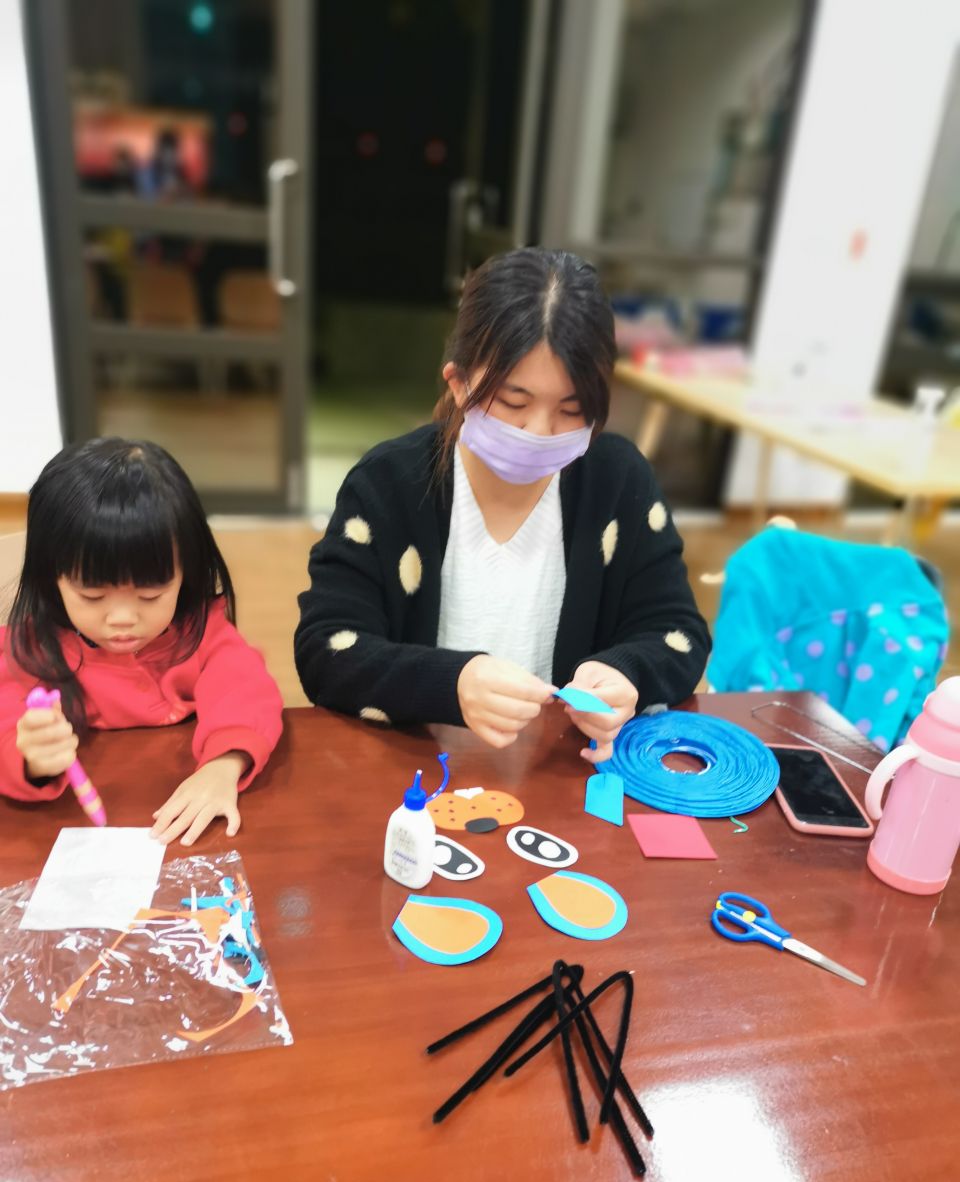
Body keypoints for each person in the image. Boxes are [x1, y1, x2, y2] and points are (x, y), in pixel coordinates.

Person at [295, 247, 710, 761]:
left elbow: (678, 635)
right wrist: (451, 683)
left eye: (572, 409)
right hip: (417, 776)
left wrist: (627, 673)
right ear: (459, 382)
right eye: (515, 402)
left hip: (560, 777)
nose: (540, 430)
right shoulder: (389, 483)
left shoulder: (617, 480)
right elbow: (326, 650)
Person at [1, 439, 282, 844]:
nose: (122, 619)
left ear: (186, 573)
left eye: (150, 596)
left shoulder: (202, 631)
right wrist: (29, 757)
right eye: (92, 596)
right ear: (52, 578)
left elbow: (246, 691)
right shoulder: (30, 650)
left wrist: (224, 764)